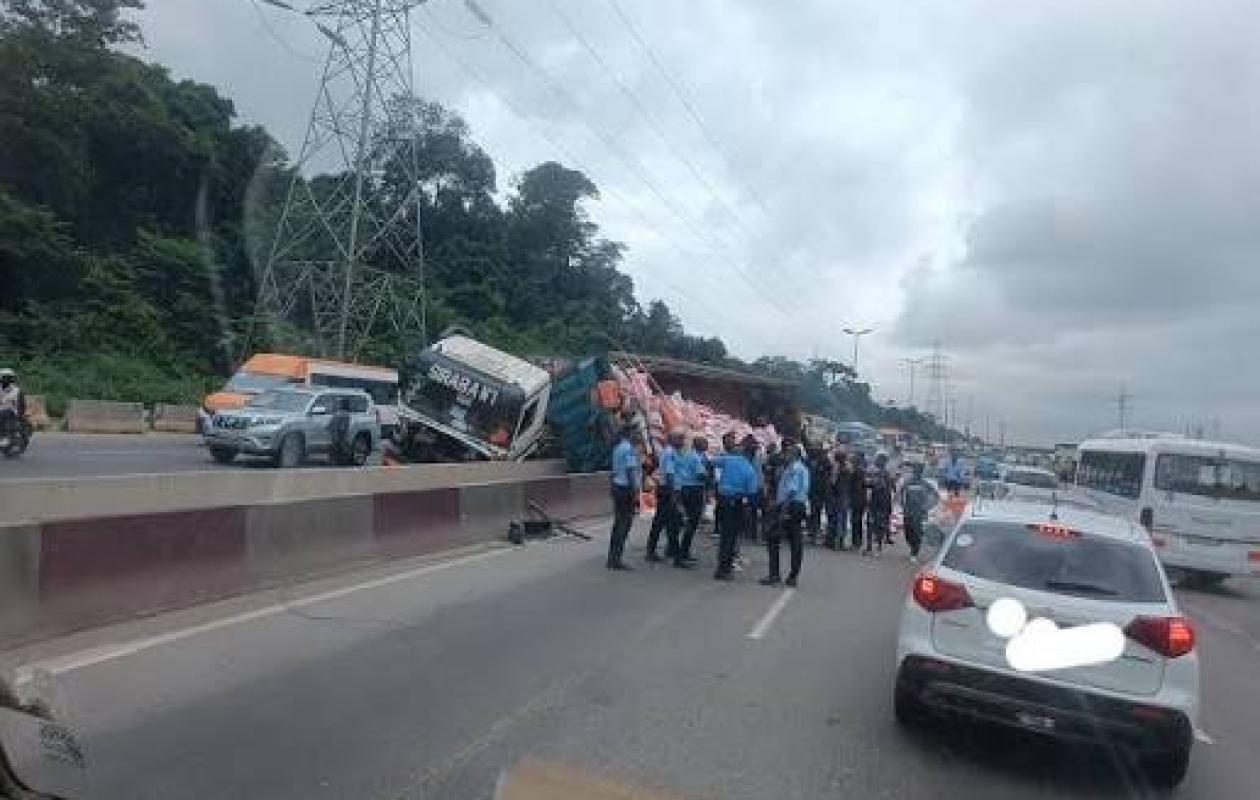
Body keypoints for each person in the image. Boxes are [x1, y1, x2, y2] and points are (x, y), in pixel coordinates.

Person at [712, 434, 760, 582]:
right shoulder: (750, 471)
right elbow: (751, 494)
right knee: (731, 537)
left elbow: (710, 462)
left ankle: (722, 566)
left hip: (723, 499)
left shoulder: (729, 459)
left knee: (725, 534)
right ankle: (724, 569)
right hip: (736, 502)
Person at [761, 444, 810, 587]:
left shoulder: (794, 468)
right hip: (798, 505)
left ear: (794, 455)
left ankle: (774, 575)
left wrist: (783, 509)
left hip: (790, 505)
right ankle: (793, 576)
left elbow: (792, 490)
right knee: (795, 541)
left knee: (773, 537)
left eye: (787, 454)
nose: (784, 456)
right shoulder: (802, 468)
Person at [645, 429, 685, 562]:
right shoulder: (669, 453)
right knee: (667, 521)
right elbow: (669, 474)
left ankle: (667, 549)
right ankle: (668, 552)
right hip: (668, 490)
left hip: (668, 489)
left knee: (667, 521)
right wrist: (674, 493)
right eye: (679, 438)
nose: (682, 441)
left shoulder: (673, 452)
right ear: (672, 439)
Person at [606, 427, 643, 571]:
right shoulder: (629, 449)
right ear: (631, 435)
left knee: (618, 523)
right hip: (625, 488)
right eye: (637, 433)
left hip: (617, 485)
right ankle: (616, 559)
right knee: (624, 524)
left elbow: (615, 470)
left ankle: (612, 557)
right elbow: (630, 471)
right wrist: (635, 491)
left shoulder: (618, 447)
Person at [674, 435, 708, 568]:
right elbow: (700, 474)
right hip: (694, 489)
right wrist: (708, 476)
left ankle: (684, 552)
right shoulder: (696, 458)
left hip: (686, 488)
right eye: (704, 443)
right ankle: (681, 555)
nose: (707, 446)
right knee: (692, 522)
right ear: (698, 445)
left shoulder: (689, 455)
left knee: (691, 522)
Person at [900, 462, 933, 564]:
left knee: (917, 533)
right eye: (915, 471)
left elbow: (935, 496)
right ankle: (912, 547)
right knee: (907, 533)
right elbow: (901, 494)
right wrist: (902, 505)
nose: (916, 473)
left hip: (919, 513)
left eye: (918, 471)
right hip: (908, 512)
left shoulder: (925, 484)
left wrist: (926, 507)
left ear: (921, 472)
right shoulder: (908, 482)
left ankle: (914, 553)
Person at [866, 452, 895, 556]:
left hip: (877, 502)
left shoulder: (879, 473)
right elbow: (892, 488)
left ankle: (872, 548)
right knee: (879, 525)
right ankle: (877, 548)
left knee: (872, 524)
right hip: (884, 503)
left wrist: (868, 483)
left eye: (877, 460)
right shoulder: (886, 474)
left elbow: (876, 486)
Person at [806, 447, 831, 544]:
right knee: (815, 511)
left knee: (814, 511)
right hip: (818, 490)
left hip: (816, 490)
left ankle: (813, 531)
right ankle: (814, 531)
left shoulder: (816, 461)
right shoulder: (822, 461)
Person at [827, 449, 851, 549]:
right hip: (844, 496)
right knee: (842, 519)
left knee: (835, 519)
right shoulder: (848, 468)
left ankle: (834, 542)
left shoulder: (836, 468)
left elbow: (832, 482)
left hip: (835, 496)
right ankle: (841, 542)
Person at [847, 452, 868, 551]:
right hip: (861, 499)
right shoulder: (862, 471)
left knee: (855, 521)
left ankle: (856, 543)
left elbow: (850, 486)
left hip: (856, 500)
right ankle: (857, 542)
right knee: (858, 521)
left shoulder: (855, 472)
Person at [0, 369, 26, 438]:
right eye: (5, 377)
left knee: (4, 413)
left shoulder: (17, 391)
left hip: (11, 413)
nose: (8, 380)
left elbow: (21, 405)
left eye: (9, 377)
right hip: (2, 411)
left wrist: (20, 415)